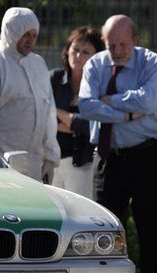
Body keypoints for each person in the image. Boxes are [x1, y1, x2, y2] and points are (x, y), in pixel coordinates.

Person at [78, 15, 157, 273]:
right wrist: (128, 114)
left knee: (151, 230)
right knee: (103, 228)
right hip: (108, 157)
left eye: (122, 44)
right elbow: (86, 106)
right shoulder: (95, 64)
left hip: (146, 156)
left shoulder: (150, 62)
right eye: (110, 44)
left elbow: (150, 100)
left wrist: (111, 101)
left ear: (135, 41)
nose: (116, 51)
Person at [0, 7, 60, 182]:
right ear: (11, 32)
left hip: (34, 168)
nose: (30, 40)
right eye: (25, 34)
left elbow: (49, 111)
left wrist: (51, 153)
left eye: (34, 35)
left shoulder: (38, 64)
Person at [50, 27, 104, 199]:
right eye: (75, 50)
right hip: (51, 162)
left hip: (82, 164)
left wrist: (56, 111)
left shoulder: (99, 87)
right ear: (67, 51)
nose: (78, 56)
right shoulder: (55, 79)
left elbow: (92, 127)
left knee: (79, 216)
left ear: (97, 57)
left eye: (85, 52)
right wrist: (75, 125)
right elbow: (41, 117)